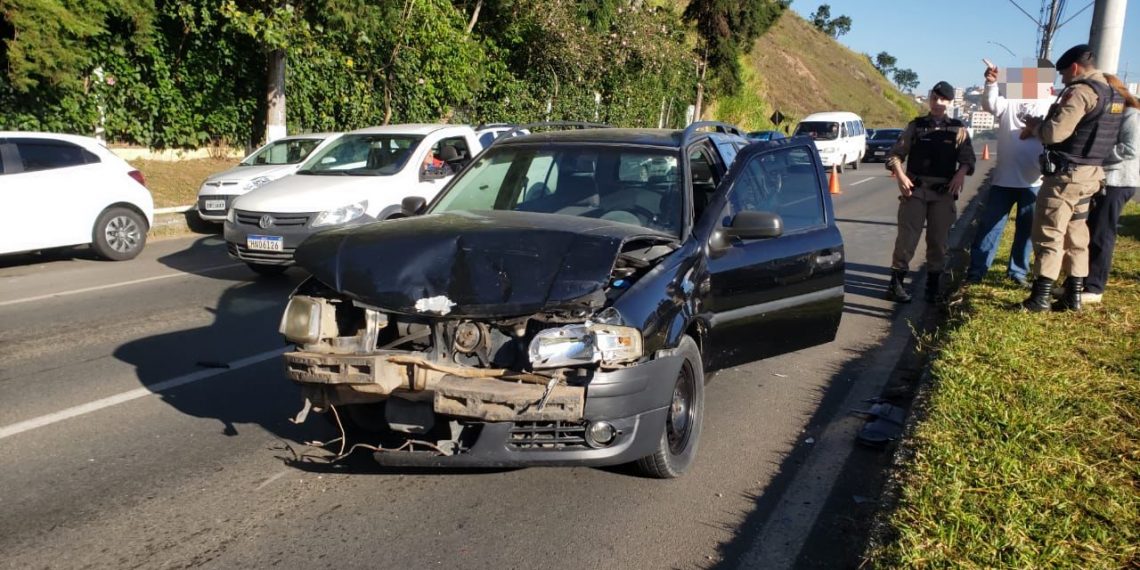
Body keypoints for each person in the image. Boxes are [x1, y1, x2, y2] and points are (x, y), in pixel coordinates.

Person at [1019, 44, 1125, 312]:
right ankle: (1073, 295)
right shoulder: (1113, 94)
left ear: (1075, 68)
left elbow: (1055, 134)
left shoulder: (1080, 92)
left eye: (1063, 73)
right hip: (1091, 175)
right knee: (1077, 233)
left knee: (1049, 233)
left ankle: (1040, 297)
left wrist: (1035, 127)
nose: (1063, 79)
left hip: (1066, 177)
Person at [885, 80, 976, 303]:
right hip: (915, 191)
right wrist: (900, 175)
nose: (937, 103)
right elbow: (894, 155)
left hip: (943, 194)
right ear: (929, 99)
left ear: (950, 102)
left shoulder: (958, 129)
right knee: (907, 240)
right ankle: (895, 284)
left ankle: (932, 288)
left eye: (942, 99)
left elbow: (968, 158)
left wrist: (960, 173)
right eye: (934, 98)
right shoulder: (916, 126)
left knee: (938, 241)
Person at [966, 63, 1053, 287]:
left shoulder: (1051, 105)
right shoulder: (1010, 102)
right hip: (1004, 179)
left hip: (1035, 180)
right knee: (989, 227)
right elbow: (990, 104)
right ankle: (977, 271)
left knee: (1026, 230)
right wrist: (991, 83)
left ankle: (1017, 272)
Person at [1082, 73, 1139, 304]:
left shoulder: (1131, 115)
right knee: (1089, 230)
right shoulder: (1113, 114)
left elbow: (1130, 149)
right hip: (1103, 180)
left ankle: (1094, 287)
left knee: (1102, 234)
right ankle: (1081, 281)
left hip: (1118, 181)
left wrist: (1098, 155)